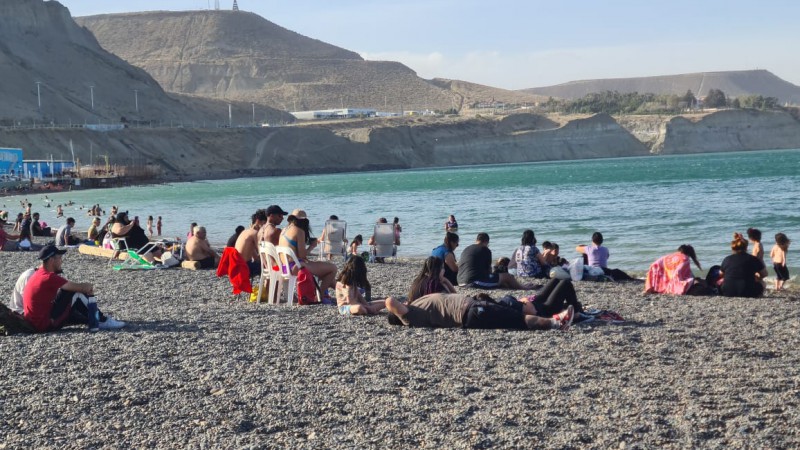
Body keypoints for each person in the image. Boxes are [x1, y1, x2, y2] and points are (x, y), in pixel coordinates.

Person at [22, 244, 125, 332]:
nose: (61, 261)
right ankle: (101, 320)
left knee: (71, 300)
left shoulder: (38, 274)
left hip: (35, 321)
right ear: (51, 260)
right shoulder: (48, 277)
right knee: (75, 293)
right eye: (60, 258)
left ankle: (93, 319)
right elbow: (78, 288)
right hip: (44, 324)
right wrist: (88, 286)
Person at [385, 293, 573, 331]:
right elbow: (389, 301)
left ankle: (556, 320)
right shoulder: (410, 317)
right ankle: (554, 323)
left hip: (473, 309)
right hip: (471, 312)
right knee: (517, 318)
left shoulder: (417, 307)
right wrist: (381, 304)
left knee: (512, 316)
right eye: (400, 306)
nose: (403, 302)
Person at [279, 209, 337, 297]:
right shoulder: (299, 231)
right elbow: (302, 255)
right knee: (333, 268)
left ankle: (344, 291)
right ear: (304, 221)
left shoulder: (283, 230)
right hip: (296, 267)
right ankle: (321, 295)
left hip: (284, 267)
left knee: (326, 274)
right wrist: (312, 246)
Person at [457, 233, 536, 289]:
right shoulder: (485, 250)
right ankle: (524, 287)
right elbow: (489, 271)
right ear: (487, 242)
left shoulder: (467, 249)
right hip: (473, 282)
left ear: (476, 240)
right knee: (508, 276)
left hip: (460, 281)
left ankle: (514, 285)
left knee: (501, 280)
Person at [719, 233, 767, 298]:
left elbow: (721, 274)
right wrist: (756, 277)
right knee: (763, 283)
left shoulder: (727, 259)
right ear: (746, 248)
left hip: (728, 292)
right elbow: (764, 274)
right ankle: (759, 295)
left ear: (732, 248)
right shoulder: (753, 259)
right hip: (748, 292)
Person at [235, 209, 267, 276]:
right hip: (245, 266)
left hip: (237, 266)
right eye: (265, 224)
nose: (265, 227)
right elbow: (262, 252)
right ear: (258, 221)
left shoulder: (245, 231)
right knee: (272, 267)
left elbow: (254, 255)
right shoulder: (255, 233)